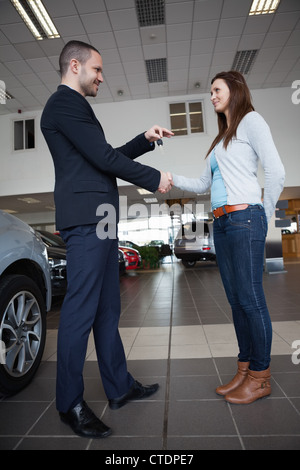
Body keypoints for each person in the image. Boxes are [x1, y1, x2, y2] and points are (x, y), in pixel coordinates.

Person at [41, 40, 173, 438]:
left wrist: (144, 140)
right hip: (85, 222)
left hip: (98, 221)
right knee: (80, 313)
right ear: (75, 65)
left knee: (106, 310)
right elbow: (103, 158)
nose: (101, 77)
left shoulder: (75, 108)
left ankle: (118, 387)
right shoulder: (64, 103)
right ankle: (69, 403)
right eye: (97, 70)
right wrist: (154, 179)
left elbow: (103, 155)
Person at [171, 70, 285, 405]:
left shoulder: (252, 121)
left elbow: (276, 171)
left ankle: (261, 377)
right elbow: (203, 185)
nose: (211, 96)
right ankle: (245, 368)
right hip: (221, 222)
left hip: (244, 217)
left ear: (234, 90)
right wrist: (169, 177)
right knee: (236, 301)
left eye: (216, 90)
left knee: (251, 299)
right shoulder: (221, 140)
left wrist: (263, 212)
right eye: (210, 92)